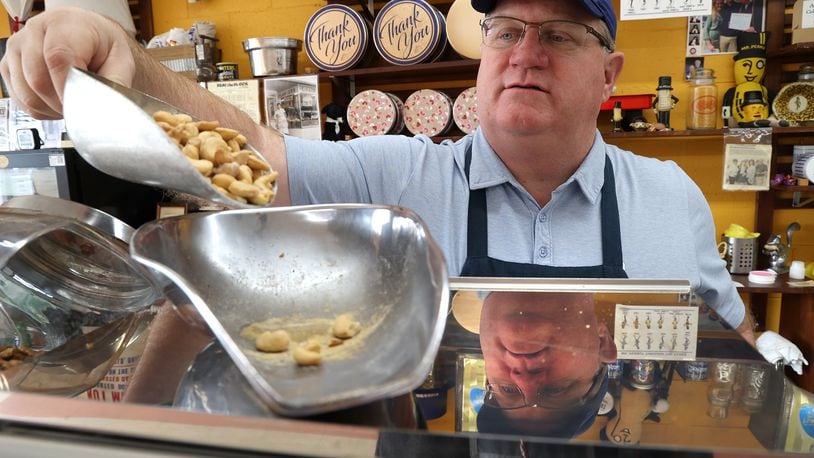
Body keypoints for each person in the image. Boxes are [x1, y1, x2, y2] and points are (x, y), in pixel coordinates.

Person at [0, 0, 756, 400]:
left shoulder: (669, 196)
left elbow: (730, 341)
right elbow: (242, 150)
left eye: (559, 34)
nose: (526, 52)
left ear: (609, 70)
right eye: (506, 31)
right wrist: (127, 60)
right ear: (484, 55)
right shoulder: (394, 176)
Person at [477, 291, 615, 438]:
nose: (525, 380)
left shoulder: (453, 275)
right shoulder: (637, 277)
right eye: (556, 389)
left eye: (508, 389)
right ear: (601, 344)